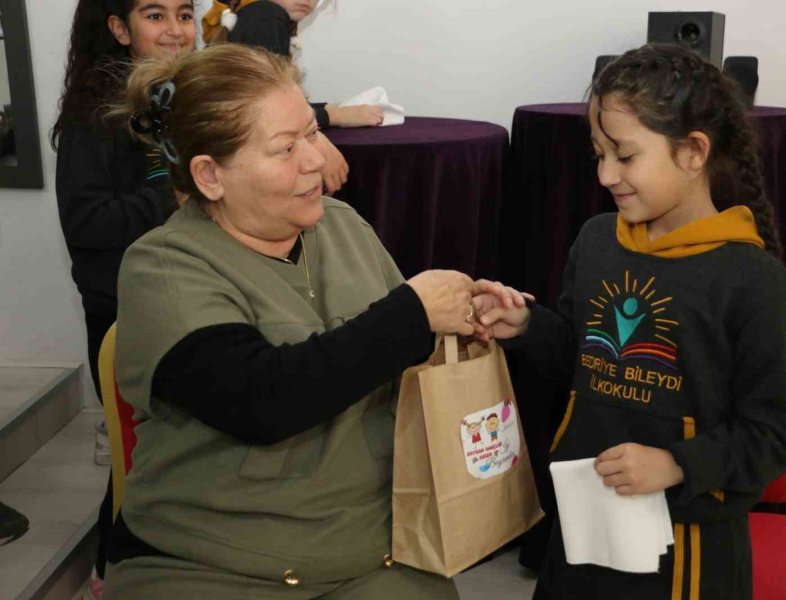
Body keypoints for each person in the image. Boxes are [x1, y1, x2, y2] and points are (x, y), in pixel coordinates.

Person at [104, 43, 486, 599]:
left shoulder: (342, 225)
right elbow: (262, 400)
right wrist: (413, 314)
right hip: (209, 562)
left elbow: (401, 361)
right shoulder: (163, 266)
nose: (314, 159)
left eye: (312, 133)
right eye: (285, 148)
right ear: (210, 175)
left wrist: (468, 322)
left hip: (372, 548)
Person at [472, 43, 786, 600]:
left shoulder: (755, 282)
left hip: (689, 549)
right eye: (598, 154)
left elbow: (776, 433)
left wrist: (677, 464)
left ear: (694, 152)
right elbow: (583, 359)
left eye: (625, 156)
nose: (606, 174)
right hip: (584, 527)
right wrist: (528, 325)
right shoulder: (598, 242)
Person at [52, 2, 196, 597]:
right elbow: (86, 222)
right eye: (154, 14)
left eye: (185, 13)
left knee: (174, 452)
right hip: (124, 309)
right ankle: (110, 575)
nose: (175, 30)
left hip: (182, 297)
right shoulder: (96, 118)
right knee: (138, 453)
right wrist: (174, 196)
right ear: (118, 29)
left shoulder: (178, 98)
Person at [202, 0, 384, 129]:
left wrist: (326, 108)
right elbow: (272, 112)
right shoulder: (268, 15)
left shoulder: (257, 15)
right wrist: (335, 116)